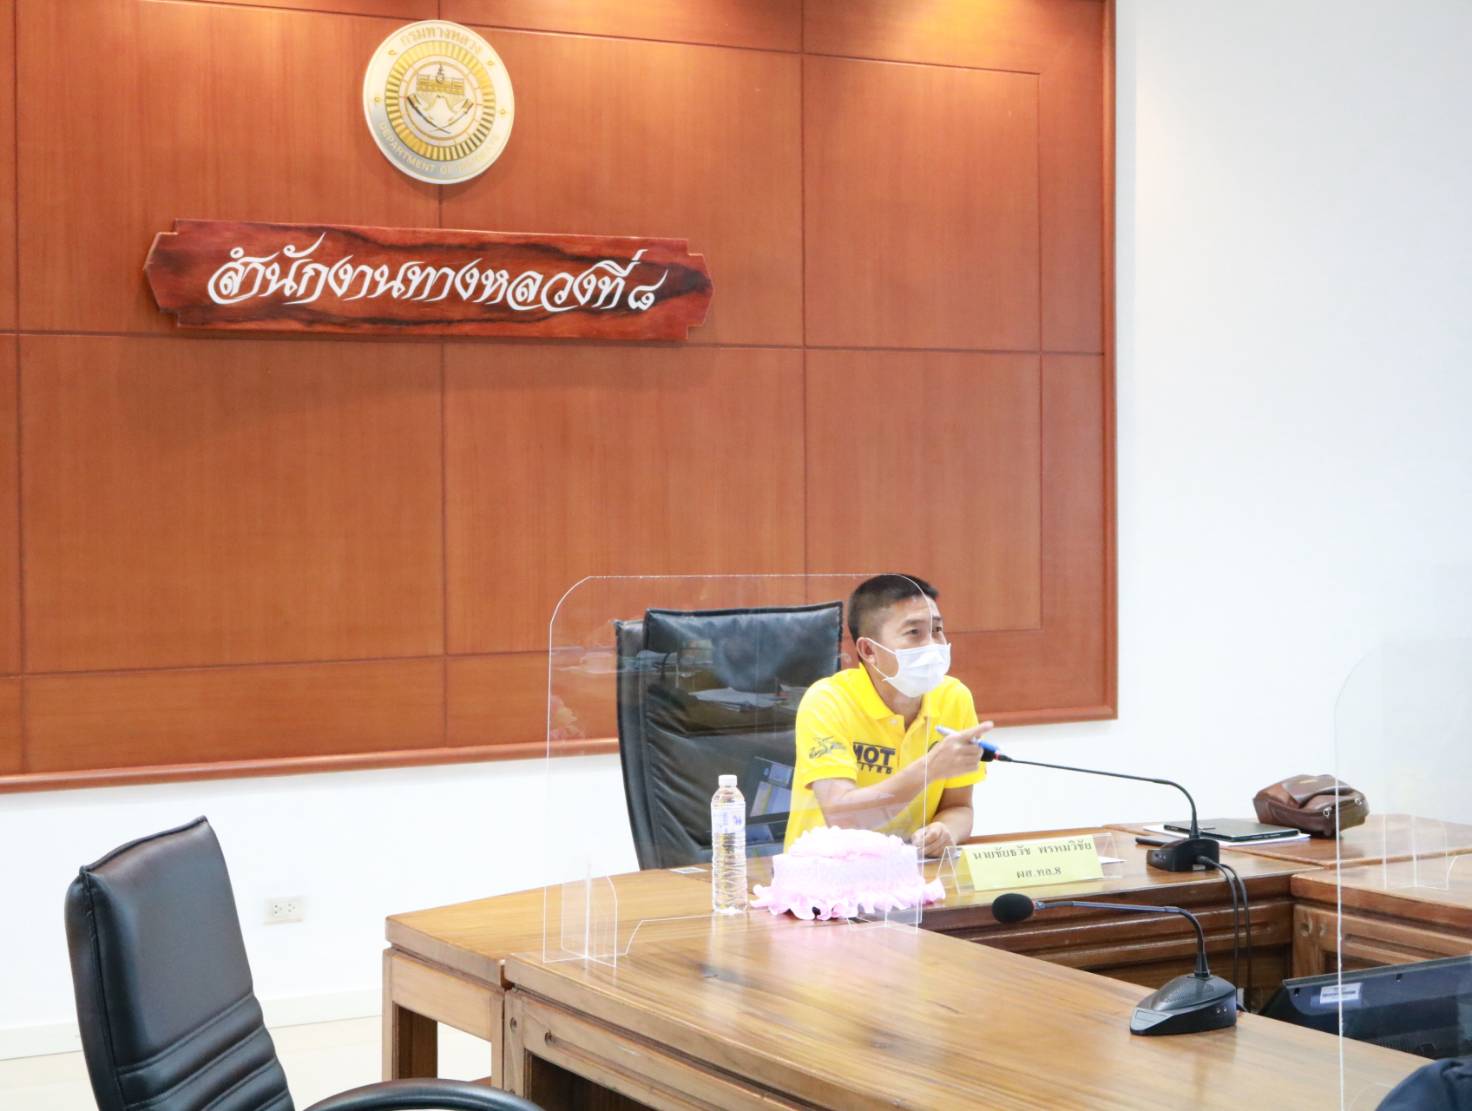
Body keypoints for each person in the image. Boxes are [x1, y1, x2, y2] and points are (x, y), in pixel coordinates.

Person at [784, 574, 994, 857]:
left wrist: (946, 831)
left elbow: (959, 807)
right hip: (827, 871)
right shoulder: (827, 701)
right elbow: (842, 817)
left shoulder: (953, 697)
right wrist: (930, 768)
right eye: (914, 633)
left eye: (937, 629)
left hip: (911, 870)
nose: (932, 645)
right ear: (869, 650)